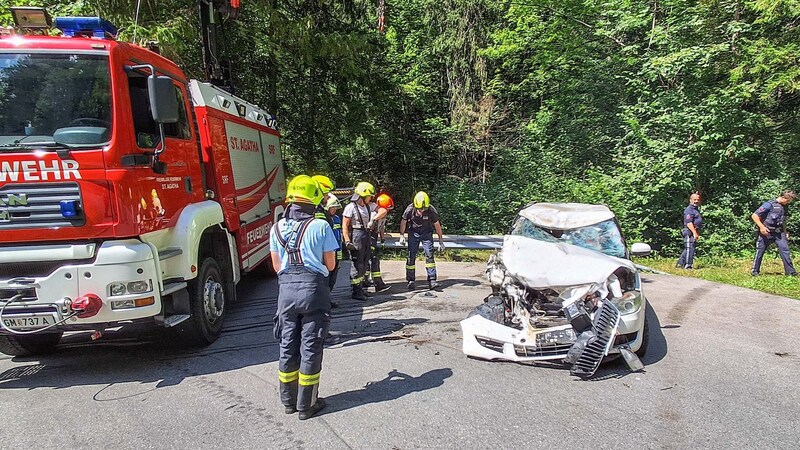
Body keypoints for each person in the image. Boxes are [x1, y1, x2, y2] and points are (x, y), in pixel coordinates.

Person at [269, 175, 338, 420]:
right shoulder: (320, 226)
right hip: (313, 290)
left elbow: (277, 266)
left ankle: (288, 401)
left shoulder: (276, 227)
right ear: (314, 200)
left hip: (285, 293)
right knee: (310, 346)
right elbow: (330, 265)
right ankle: (306, 405)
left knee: (287, 343)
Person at [399, 191, 445, 290]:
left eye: (424, 209)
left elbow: (437, 224)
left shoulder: (431, 210)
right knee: (411, 256)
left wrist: (441, 240)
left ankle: (432, 280)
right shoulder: (410, 209)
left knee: (429, 255)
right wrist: (402, 235)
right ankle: (411, 280)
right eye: (420, 209)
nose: (422, 211)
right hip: (413, 233)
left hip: (426, 233)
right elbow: (403, 221)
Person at [750, 189, 797, 276]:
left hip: (779, 233)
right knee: (760, 251)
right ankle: (755, 271)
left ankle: (791, 272)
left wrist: (785, 232)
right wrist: (761, 227)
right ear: (784, 198)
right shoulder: (769, 204)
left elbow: (783, 221)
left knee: (785, 250)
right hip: (766, 232)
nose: (789, 202)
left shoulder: (784, 207)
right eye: (788, 200)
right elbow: (754, 215)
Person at [342, 181, 375, 301]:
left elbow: (382, 210)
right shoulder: (350, 207)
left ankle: (360, 288)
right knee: (357, 264)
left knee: (365, 263)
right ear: (363, 195)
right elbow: (344, 226)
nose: (371, 198)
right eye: (369, 196)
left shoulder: (367, 206)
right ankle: (356, 291)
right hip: (357, 236)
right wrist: (347, 241)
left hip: (366, 234)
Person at [367, 193, 394, 292]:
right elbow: (380, 214)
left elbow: (381, 227)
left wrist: (382, 239)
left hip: (373, 236)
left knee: (370, 259)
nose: (387, 211)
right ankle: (378, 283)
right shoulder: (375, 213)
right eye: (387, 208)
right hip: (369, 236)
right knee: (373, 259)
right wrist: (373, 220)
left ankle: (366, 281)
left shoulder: (382, 215)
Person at [676, 192, 702, 269]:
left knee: (689, 248)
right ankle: (688, 266)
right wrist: (694, 233)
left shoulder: (695, 209)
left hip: (693, 231)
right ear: (690, 200)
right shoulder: (689, 210)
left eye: (698, 199)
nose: (696, 201)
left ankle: (680, 264)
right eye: (694, 199)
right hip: (689, 231)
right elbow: (689, 223)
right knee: (689, 249)